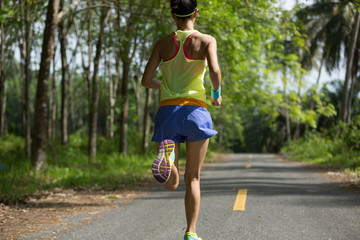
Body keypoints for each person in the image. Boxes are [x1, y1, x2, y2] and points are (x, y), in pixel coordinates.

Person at [141, 0, 222, 239]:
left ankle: (170, 162)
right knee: (194, 178)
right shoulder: (207, 41)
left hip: (168, 111)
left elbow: (146, 80)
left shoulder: (163, 44)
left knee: (171, 183)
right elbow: (215, 71)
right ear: (195, 13)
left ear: (172, 16)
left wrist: (164, 86)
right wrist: (216, 95)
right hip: (196, 112)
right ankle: (191, 233)